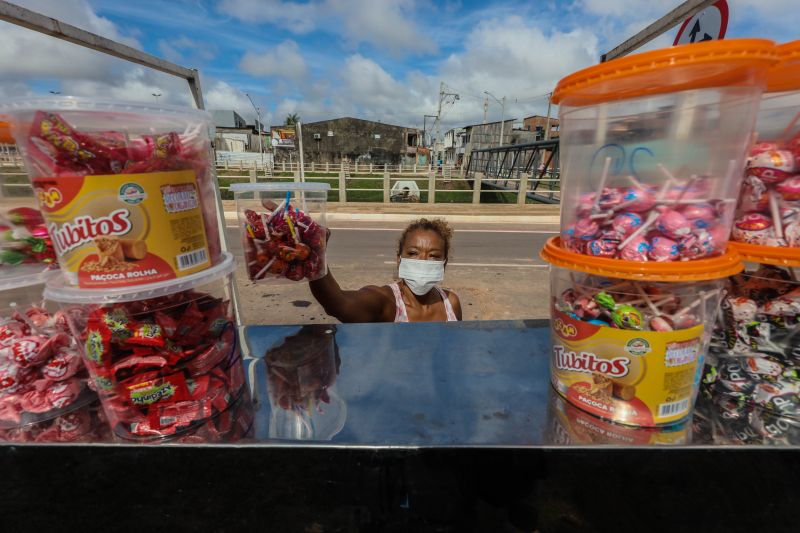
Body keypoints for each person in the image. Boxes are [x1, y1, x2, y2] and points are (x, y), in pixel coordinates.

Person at [310, 218, 462, 323]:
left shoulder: (451, 302)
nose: (422, 261)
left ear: (444, 263)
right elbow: (338, 304)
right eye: (413, 253)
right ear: (399, 259)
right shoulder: (387, 301)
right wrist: (316, 256)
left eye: (433, 256)